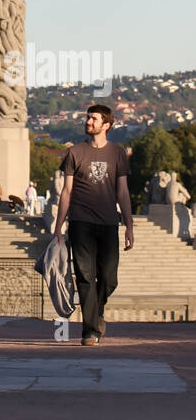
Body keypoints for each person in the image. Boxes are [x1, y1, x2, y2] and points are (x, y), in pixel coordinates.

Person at [54, 103, 134, 345]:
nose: (88, 122)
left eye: (94, 119)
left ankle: (97, 311)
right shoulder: (74, 153)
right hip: (81, 222)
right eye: (88, 118)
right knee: (85, 277)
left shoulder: (118, 154)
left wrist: (129, 226)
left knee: (109, 279)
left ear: (106, 125)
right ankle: (90, 330)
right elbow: (66, 192)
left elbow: (123, 192)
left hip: (109, 223)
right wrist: (59, 227)